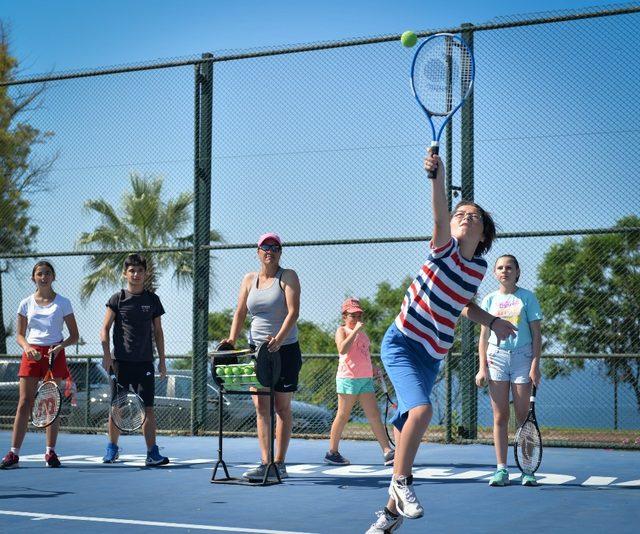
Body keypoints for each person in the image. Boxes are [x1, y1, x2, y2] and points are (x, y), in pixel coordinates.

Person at [366, 150, 517, 534]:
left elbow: (464, 306)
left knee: (406, 437)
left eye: (475, 217)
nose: (466, 218)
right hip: (401, 344)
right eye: (460, 214)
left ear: (484, 235)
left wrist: (494, 321)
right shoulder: (443, 247)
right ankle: (401, 486)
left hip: (431, 357)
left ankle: (387, 517)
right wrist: (437, 175)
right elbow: (437, 212)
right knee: (422, 413)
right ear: (451, 226)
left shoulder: (478, 268)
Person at [221, 232, 301, 482]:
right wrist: (232, 340)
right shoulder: (248, 279)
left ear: (280, 252)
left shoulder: (287, 276)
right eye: (265, 247)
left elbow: (293, 312)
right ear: (258, 252)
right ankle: (265, 462)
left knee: (281, 406)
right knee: (261, 406)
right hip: (257, 351)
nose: (270, 250)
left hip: (285, 349)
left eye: (275, 247)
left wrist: (278, 339)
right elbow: (241, 312)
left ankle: (280, 463)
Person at [0, 261, 79, 469]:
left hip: (55, 354)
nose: (43, 277)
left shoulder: (63, 302)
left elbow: (75, 335)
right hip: (31, 354)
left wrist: (59, 347)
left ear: (53, 277)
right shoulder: (25, 303)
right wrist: (27, 348)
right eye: (39, 274)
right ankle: (13, 454)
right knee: (24, 402)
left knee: (51, 404)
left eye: (47, 273)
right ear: (33, 278)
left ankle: (50, 452)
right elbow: (19, 335)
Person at [476, 254, 542, 487]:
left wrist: (535, 364)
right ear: (495, 273)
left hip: (523, 358)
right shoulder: (489, 300)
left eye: (509, 267)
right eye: (500, 268)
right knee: (500, 416)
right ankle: (501, 470)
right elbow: (483, 338)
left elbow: (536, 335)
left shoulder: (528, 298)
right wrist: (481, 368)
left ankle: (527, 469)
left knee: (524, 419)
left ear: (517, 271)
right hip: (497, 359)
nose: (504, 271)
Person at [100, 253, 169, 466]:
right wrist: (107, 355)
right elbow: (104, 329)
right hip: (121, 362)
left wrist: (163, 360)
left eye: (139, 270)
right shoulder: (117, 299)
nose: (136, 274)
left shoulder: (152, 300)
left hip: (145, 363)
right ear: (125, 273)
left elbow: (158, 332)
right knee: (117, 406)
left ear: (145, 273)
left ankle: (152, 453)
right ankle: (112, 449)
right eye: (132, 270)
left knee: (148, 408)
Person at [325, 297, 395, 466]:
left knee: (374, 415)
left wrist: (374, 369)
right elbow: (342, 349)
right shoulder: (341, 331)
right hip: (348, 379)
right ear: (344, 316)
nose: (356, 319)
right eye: (352, 315)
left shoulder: (363, 335)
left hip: (365, 380)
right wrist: (355, 331)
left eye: (358, 315)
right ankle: (332, 453)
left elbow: (363, 356)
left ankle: (387, 451)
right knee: (342, 415)